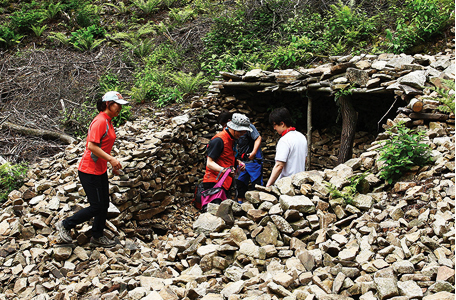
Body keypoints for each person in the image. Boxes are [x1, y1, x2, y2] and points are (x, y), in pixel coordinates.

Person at [56, 91, 129, 248]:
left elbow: (103, 147)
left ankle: (97, 236)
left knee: (104, 204)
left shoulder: (108, 121)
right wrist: (111, 159)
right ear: (108, 104)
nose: (120, 109)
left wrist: (110, 164)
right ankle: (65, 225)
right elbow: (91, 146)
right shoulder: (100, 121)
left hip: (100, 169)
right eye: (118, 105)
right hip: (89, 170)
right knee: (97, 206)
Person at [203, 113, 251, 202]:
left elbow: (227, 156)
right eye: (240, 131)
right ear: (232, 128)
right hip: (213, 183)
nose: (241, 134)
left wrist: (238, 162)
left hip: (225, 182)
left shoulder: (233, 140)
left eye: (244, 132)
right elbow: (209, 163)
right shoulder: (219, 140)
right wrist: (225, 171)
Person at [266, 107, 308, 187]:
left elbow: (279, 166)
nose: (274, 128)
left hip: (285, 185)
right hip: (299, 184)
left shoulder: (284, 140)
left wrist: (268, 185)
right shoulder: (302, 137)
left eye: (275, 125)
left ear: (282, 124)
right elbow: (304, 160)